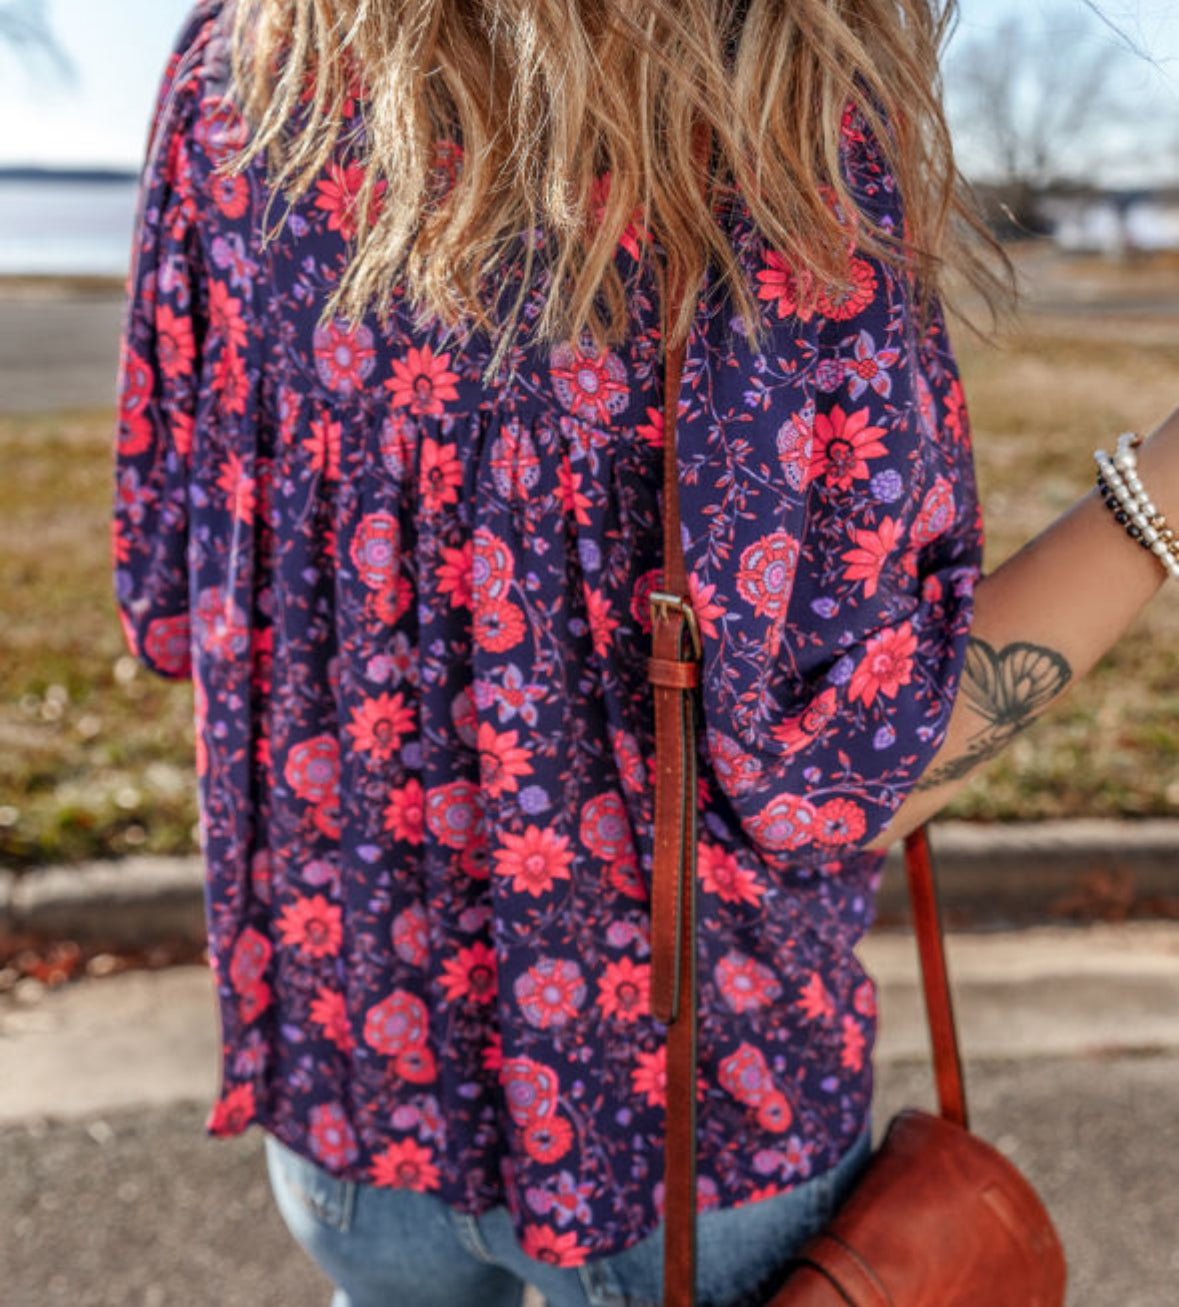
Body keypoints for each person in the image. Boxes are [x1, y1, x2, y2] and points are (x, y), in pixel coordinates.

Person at [112, 1, 1179, 1305]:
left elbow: (170, 595)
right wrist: (1164, 488)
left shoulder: (239, 73)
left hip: (351, 1099)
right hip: (681, 1145)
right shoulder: (765, 129)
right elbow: (839, 780)